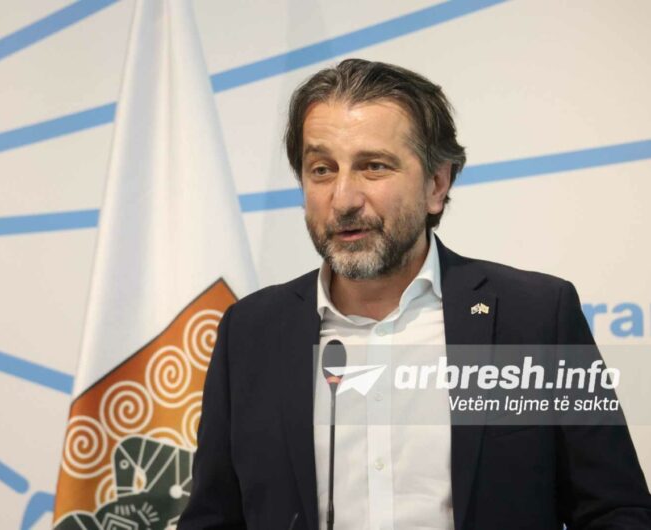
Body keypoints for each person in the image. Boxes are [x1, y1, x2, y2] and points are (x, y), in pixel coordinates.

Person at [177, 59, 651, 530]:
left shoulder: (533, 317)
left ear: (436, 185)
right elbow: (214, 519)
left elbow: (615, 511)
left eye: (374, 167)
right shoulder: (251, 332)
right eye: (321, 169)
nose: (343, 199)